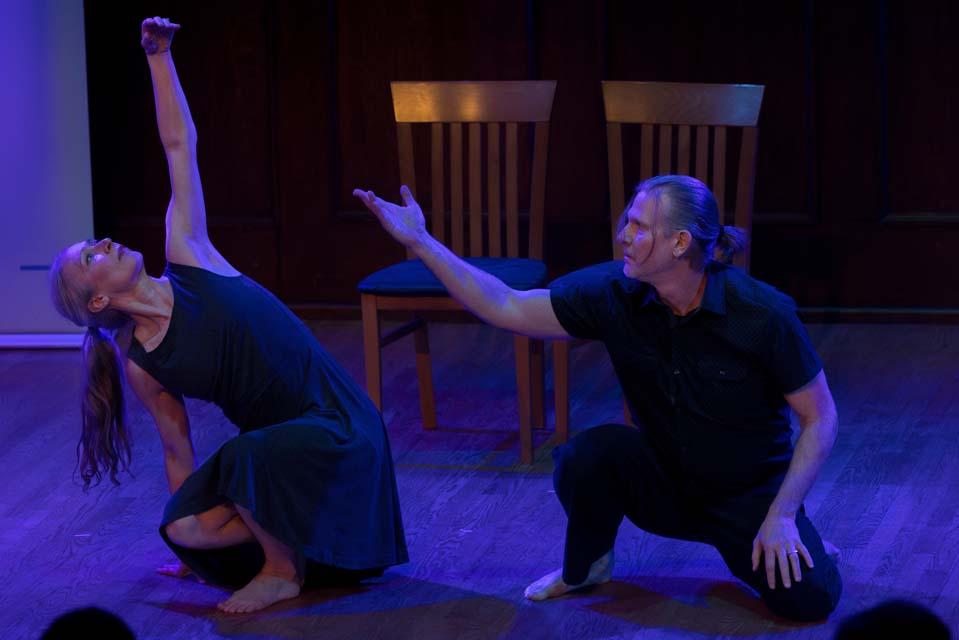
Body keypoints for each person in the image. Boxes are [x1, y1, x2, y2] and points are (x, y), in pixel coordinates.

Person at [353, 175, 842, 621]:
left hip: (746, 497)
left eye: (638, 226)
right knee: (586, 456)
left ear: (680, 243)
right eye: (625, 221)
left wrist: (780, 515)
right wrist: (421, 242)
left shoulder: (761, 314)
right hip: (667, 482)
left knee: (810, 600)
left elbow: (820, 419)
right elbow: (506, 304)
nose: (623, 236)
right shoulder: (615, 292)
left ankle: (806, 538)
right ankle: (587, 567)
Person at [49, 18, 407, 614]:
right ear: (97, 301)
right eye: (91, 255)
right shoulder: (143, 364)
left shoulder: (188, 253)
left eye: (96, 240)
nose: (104, 242)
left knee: (243, 456)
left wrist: (158, 57)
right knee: (183, 526)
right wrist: (198, 560)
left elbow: (178, 146)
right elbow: (176, 450)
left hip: (340, 428)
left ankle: (282, 569)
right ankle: (306, 545)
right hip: (281, 453)